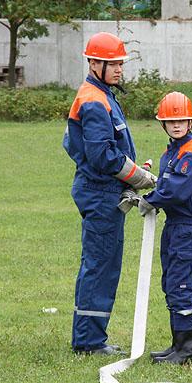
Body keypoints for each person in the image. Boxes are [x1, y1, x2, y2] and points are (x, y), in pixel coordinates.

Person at [64, 32, 156, 355]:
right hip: (101, 193)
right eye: (113, 64)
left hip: (104, 190)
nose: (119, 69)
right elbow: (102, 156)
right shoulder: (94, 100)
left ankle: (90, 338)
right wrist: (140, 175)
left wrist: (131, 168)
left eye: (120, 63)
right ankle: (89, 342)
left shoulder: (102, 94)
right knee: (100, 266)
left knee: (101, 264)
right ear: (94, 63)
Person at [138, 92, 192, 364]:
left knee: (181, 286)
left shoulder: (191, 153)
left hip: (187, 227)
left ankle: (188, 351)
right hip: (174, 225)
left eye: (181, 120)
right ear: (163, 124)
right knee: (170, 284)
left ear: (190, 122)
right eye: (171, 121)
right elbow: (166, 185)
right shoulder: (172, 151)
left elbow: (175, 192)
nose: (177, 125)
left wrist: (149, 200)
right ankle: (176, 345)